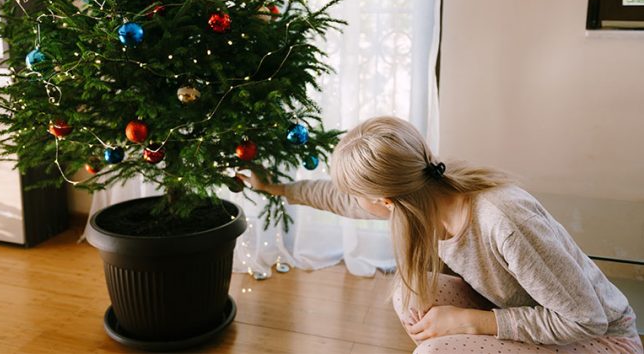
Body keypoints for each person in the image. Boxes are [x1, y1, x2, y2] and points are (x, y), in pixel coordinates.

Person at [237, 116, 643, 354]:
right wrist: (275, 188)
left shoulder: (503, 221)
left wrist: (473, 323)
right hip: (533, 315)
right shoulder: (420, 196)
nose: (352, 202)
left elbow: (587, 321)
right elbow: (335, 198)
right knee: (411, 295)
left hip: (606, 342)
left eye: (359, 196)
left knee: (436, 349)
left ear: (384, 200)